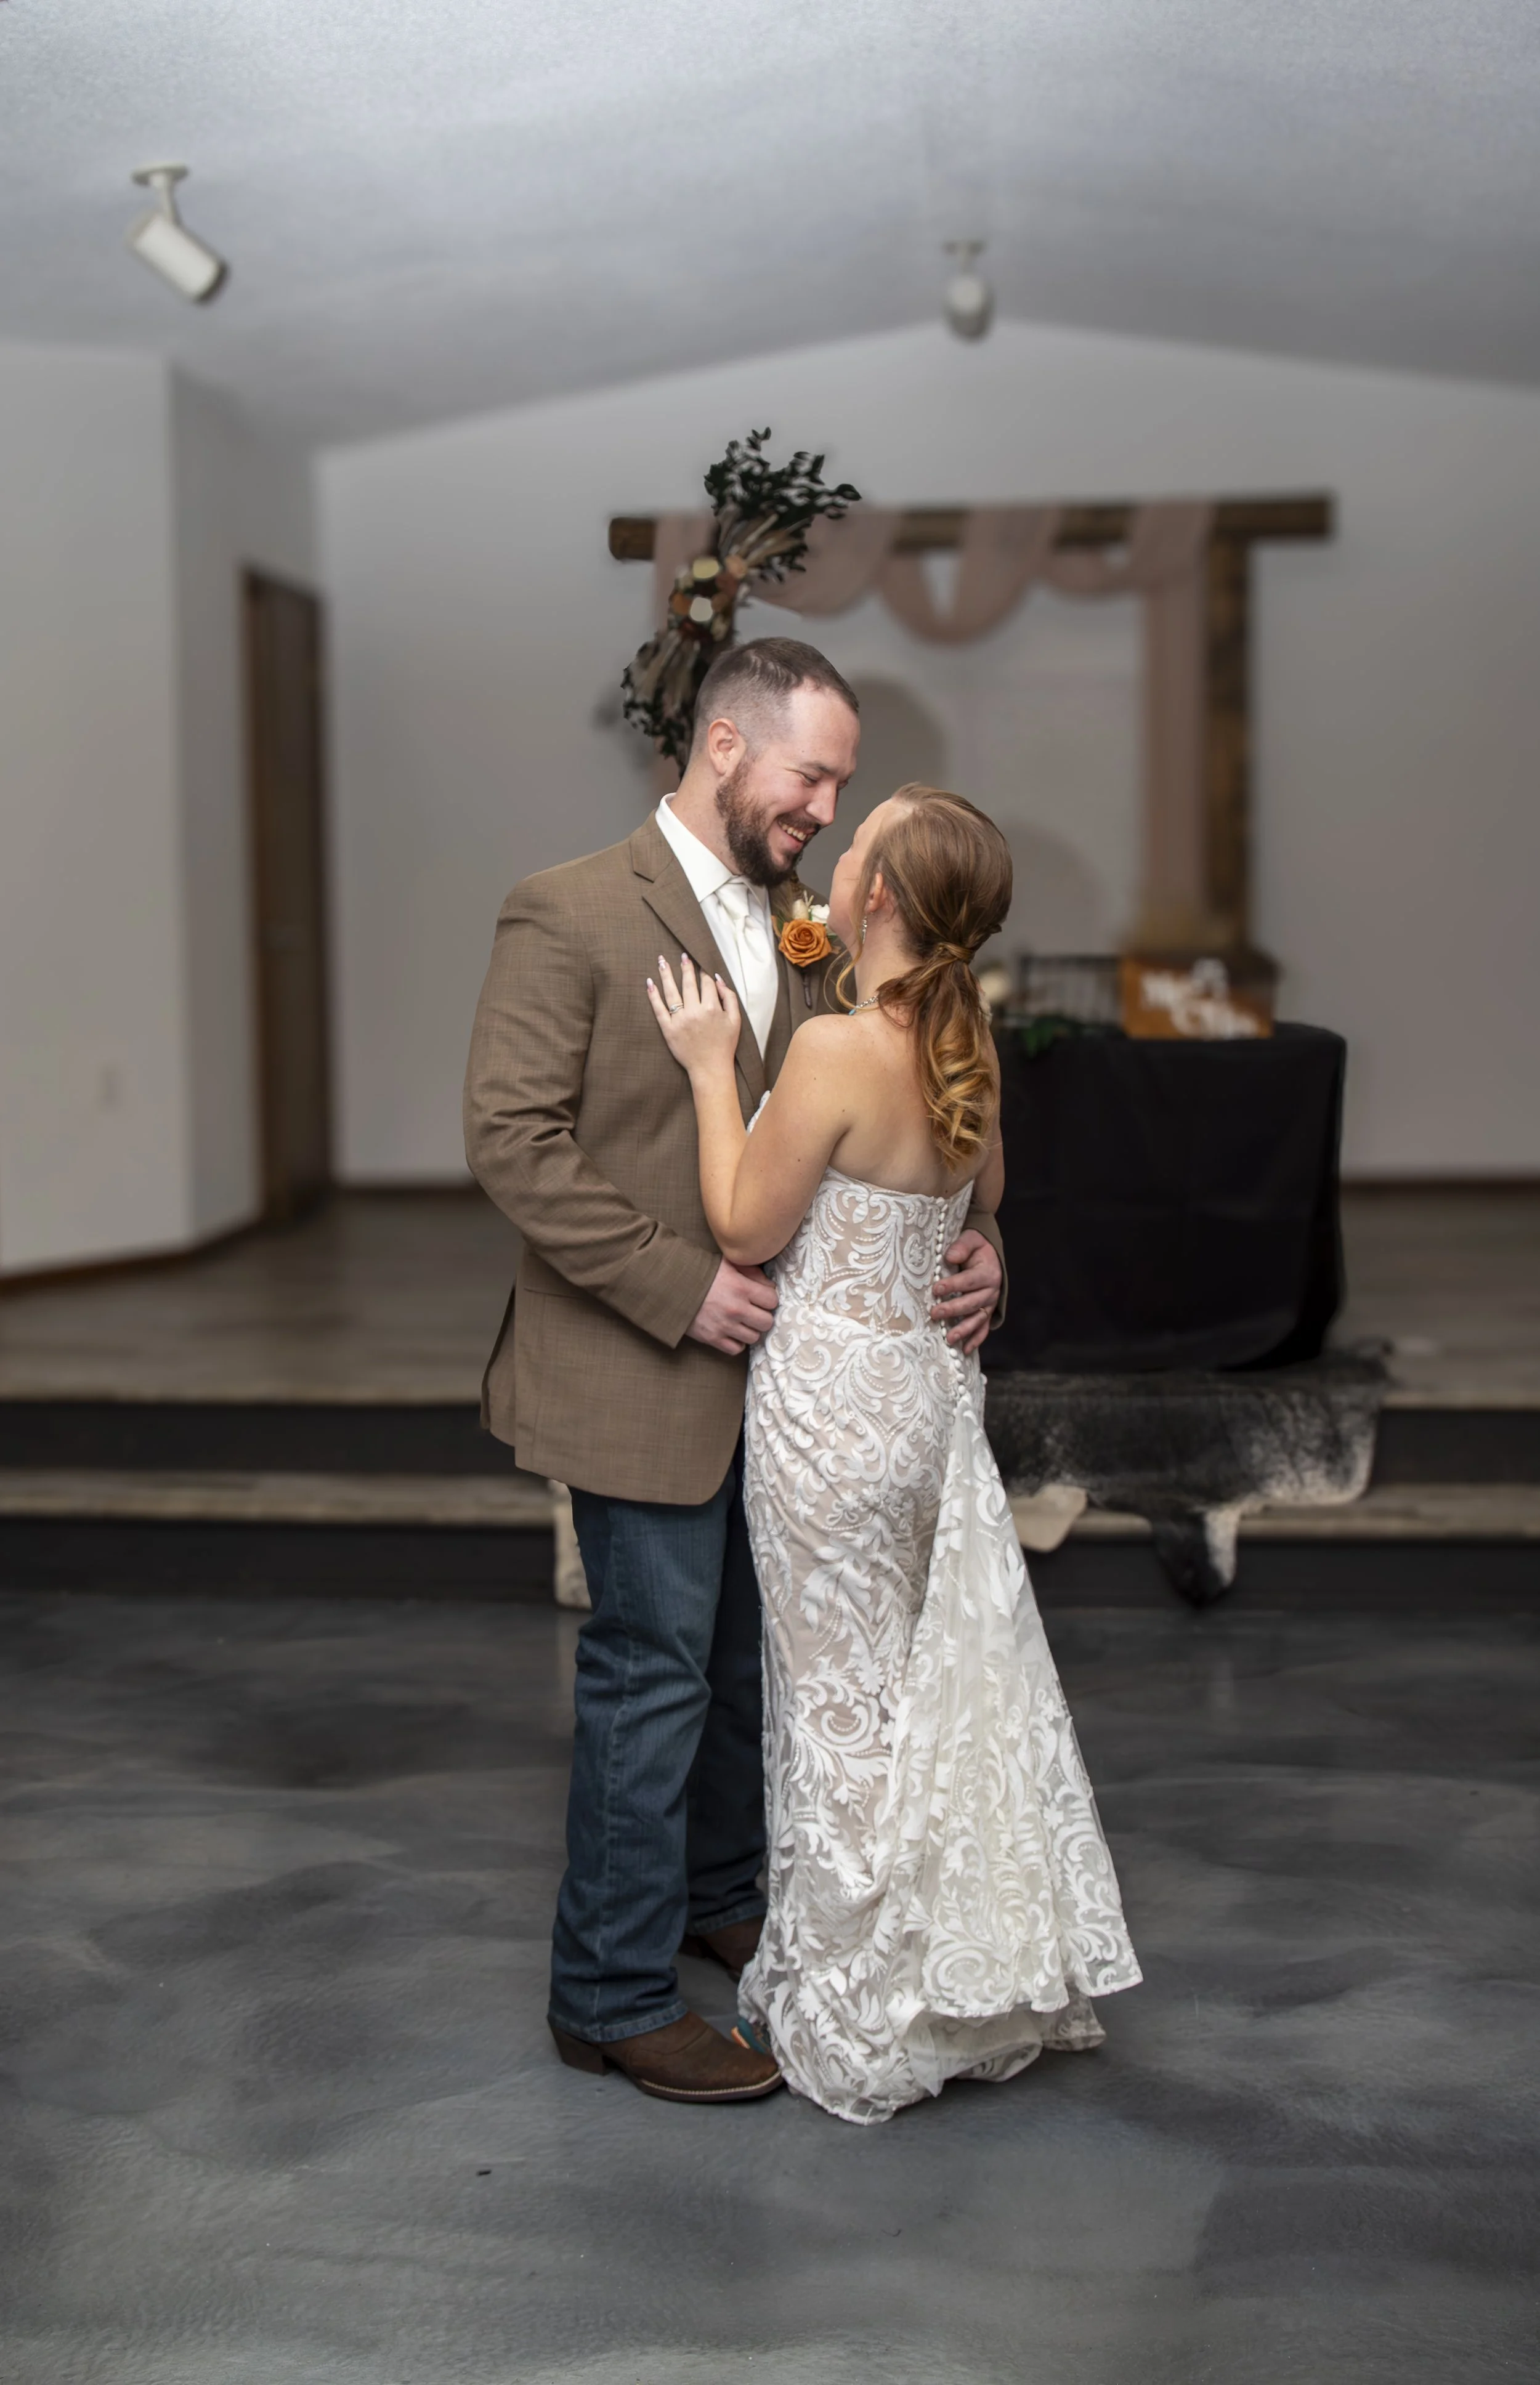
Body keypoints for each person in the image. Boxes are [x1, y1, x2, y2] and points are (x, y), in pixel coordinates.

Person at [463, 641, 1007, 2104]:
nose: (826, 807)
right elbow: (511, 1141)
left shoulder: (810, 931)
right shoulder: (568, 909)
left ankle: (715, 1894)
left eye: (840, 783)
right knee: (649, 1679)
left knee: (738, 1674)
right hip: (635, 1358)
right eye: (808, 772)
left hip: (791, 1398)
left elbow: (882, 1138)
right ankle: (610, 1994)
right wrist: (678, 1281)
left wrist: (977, 1247)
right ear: (720, 745)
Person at [648, 784, 1140, 2123]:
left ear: (871, 899)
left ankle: (871, 1997)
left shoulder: (833, 1052)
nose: (839, 841)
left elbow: (747, 1227)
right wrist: (985, 1255)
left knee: (835, 1708)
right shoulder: (957, 1044)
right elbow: (973, 1210)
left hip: (827, 1415)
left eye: (856, 836)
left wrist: (707, 1070)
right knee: (908, 1698)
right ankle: (942, 1960)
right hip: (926, 1412)